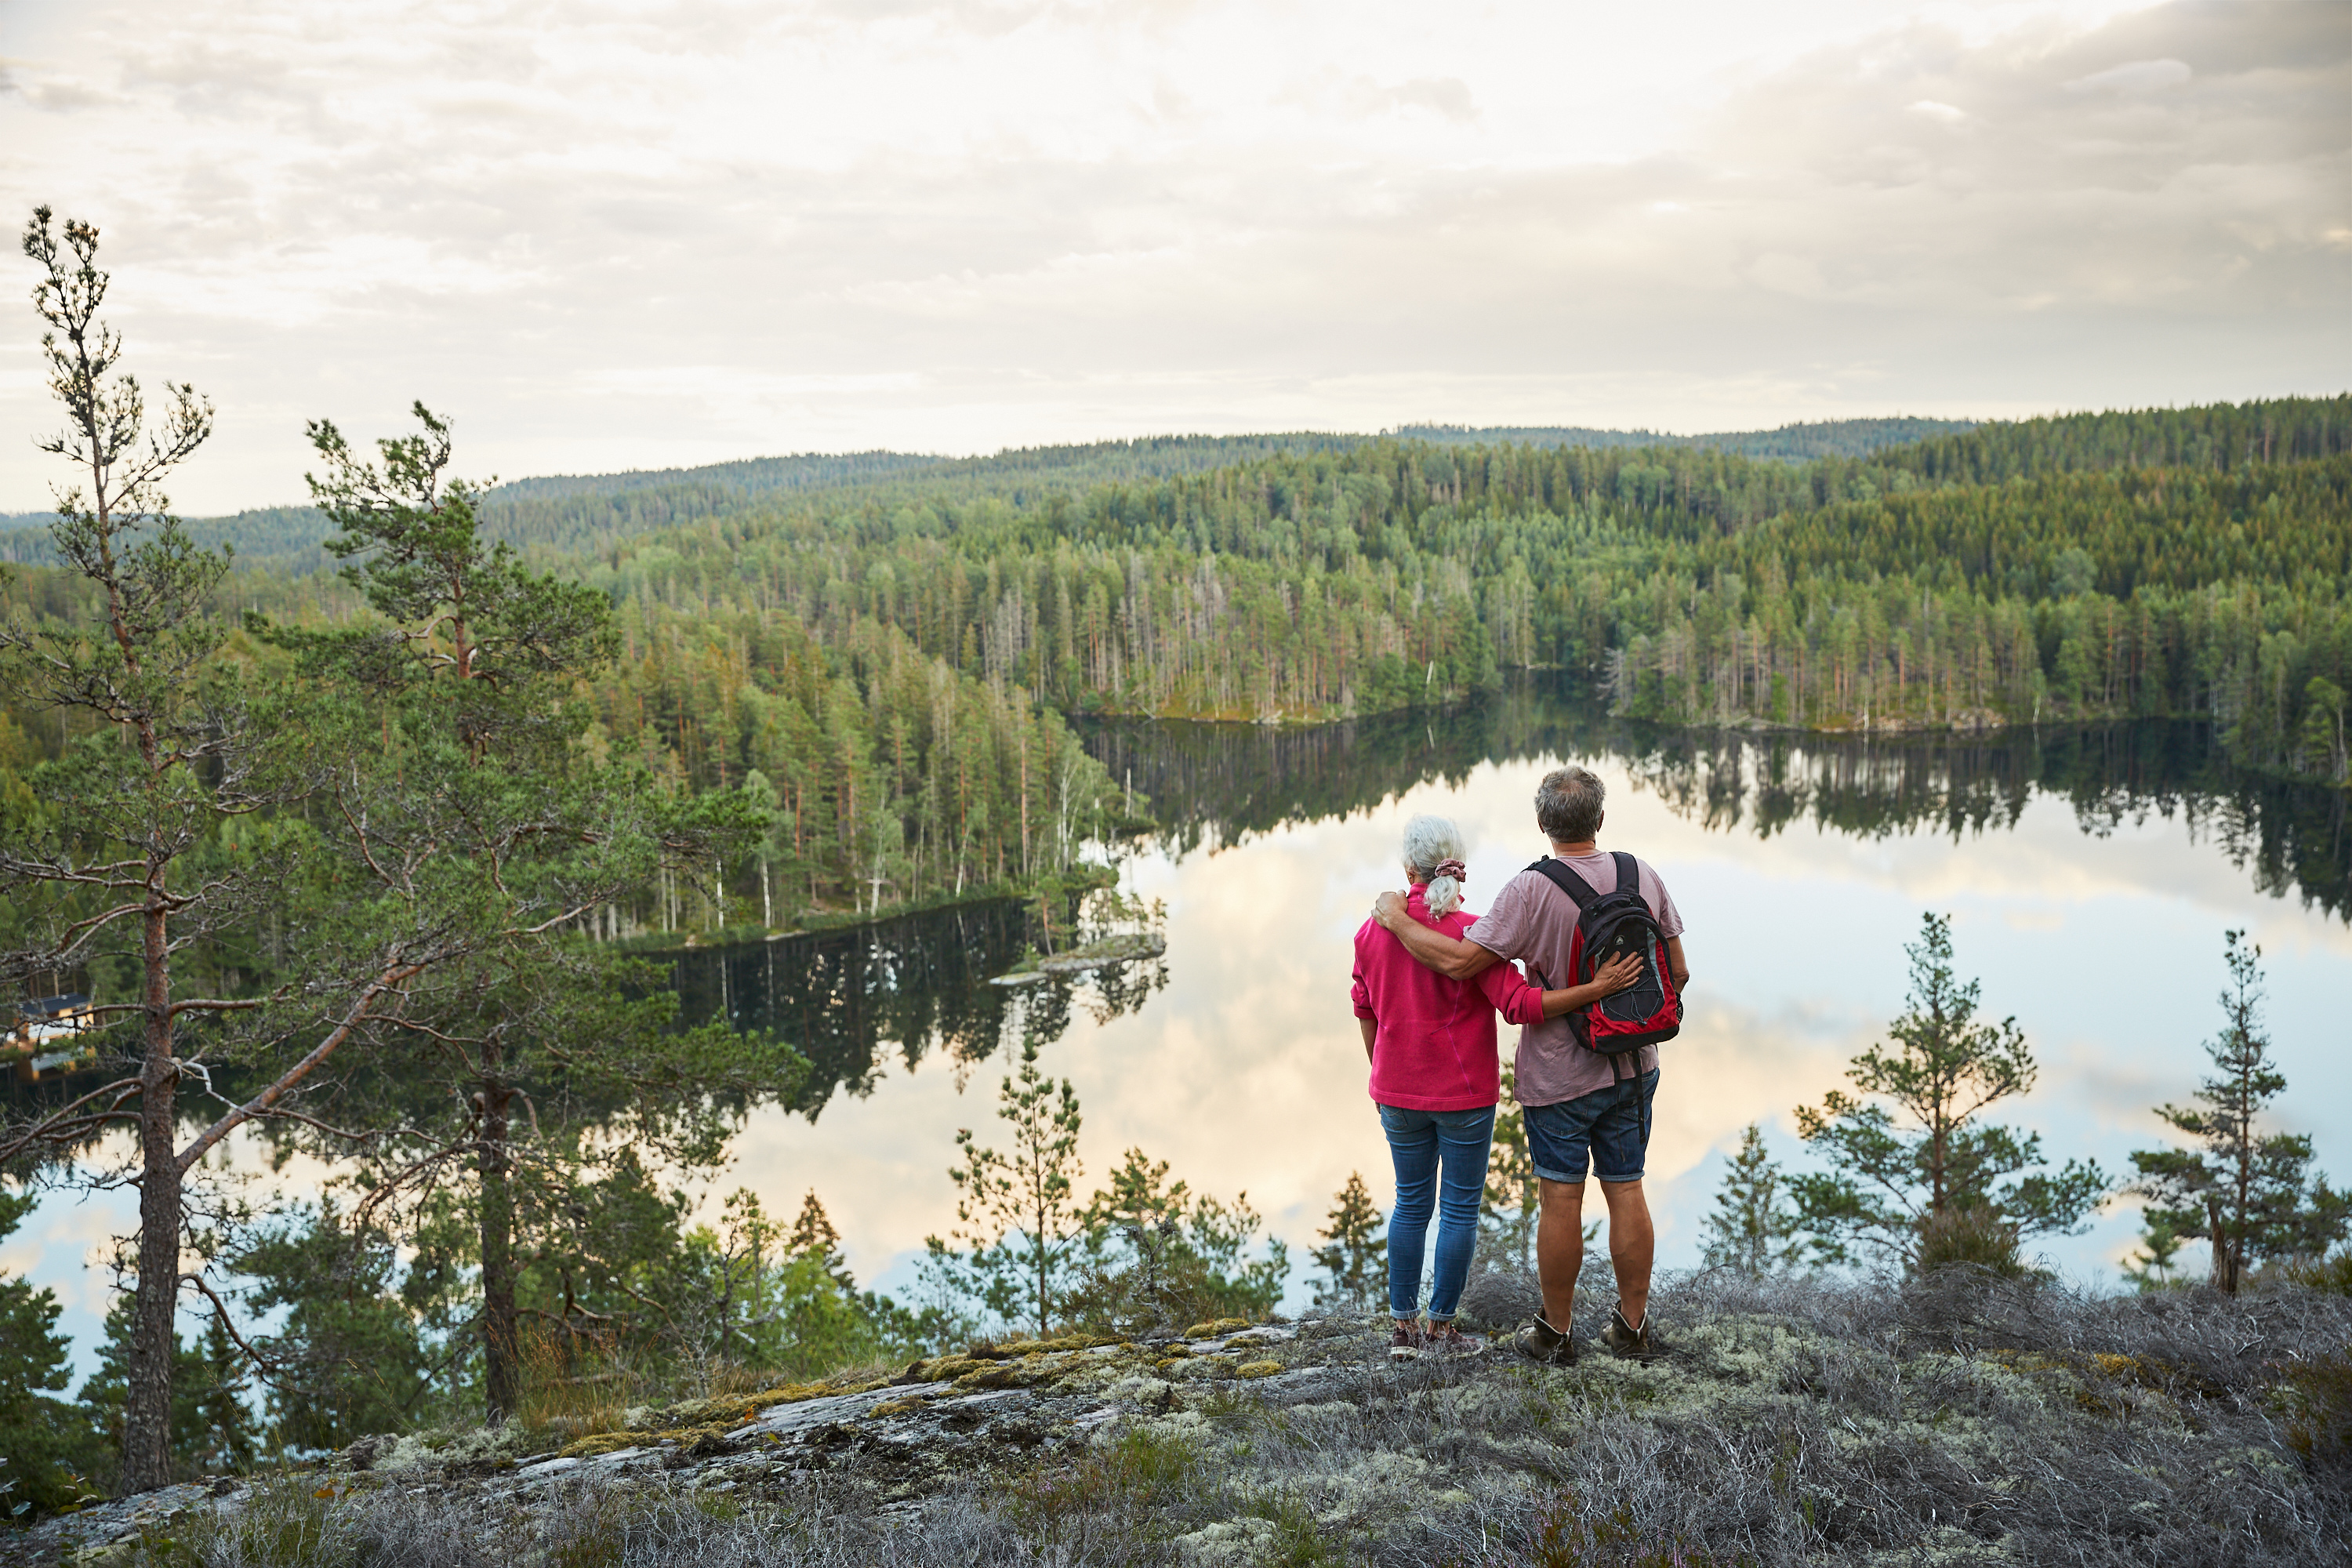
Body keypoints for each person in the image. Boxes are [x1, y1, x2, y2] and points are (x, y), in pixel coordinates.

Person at [1372, 767, 1689, 1366]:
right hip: (1633, 1066)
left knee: (1561, 1200)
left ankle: (1557, 1333)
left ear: (1543, 823)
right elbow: (1679, 970)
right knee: (1627, 1189)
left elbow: (1463, 963)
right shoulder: (1642, 874)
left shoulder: (1529, 890)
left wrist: (1395, 919)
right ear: (1600, 818)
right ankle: (1633, 1327)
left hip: (1559, 1077)